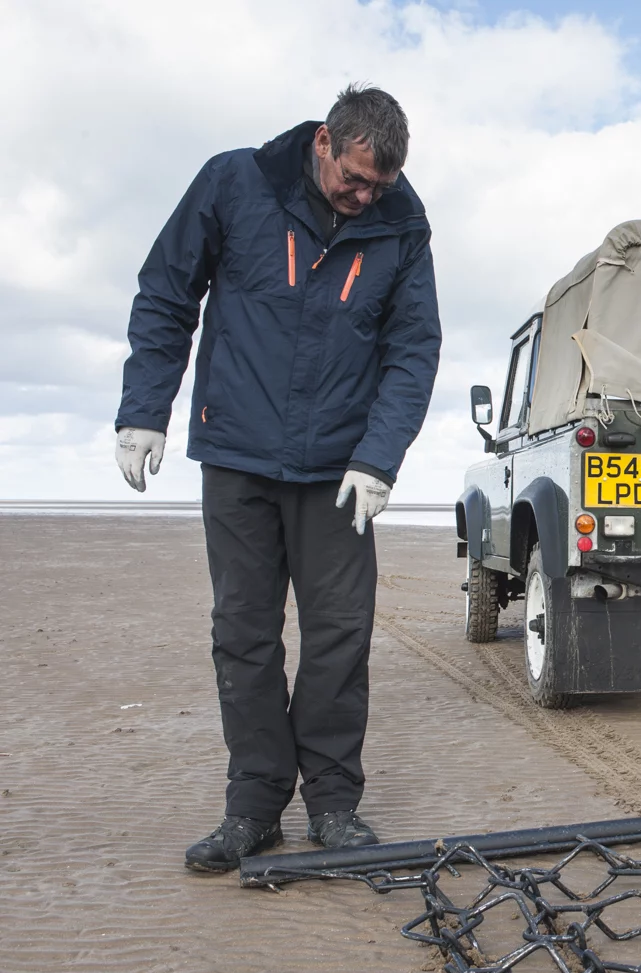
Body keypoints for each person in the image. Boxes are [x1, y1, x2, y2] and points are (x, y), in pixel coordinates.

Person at [114, 86, 442, 871]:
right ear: (325, 141)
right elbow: (167, 292)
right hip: (236, 455)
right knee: (245, 635)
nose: (365, 198)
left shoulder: (402, 224)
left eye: (380, 187)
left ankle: (332, 806)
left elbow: (412, 349)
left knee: (338, 635)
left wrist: (378, 458)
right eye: (355, 179)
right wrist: (143, 408)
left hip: (338, 471)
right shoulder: (235, 182)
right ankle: (254, 806)